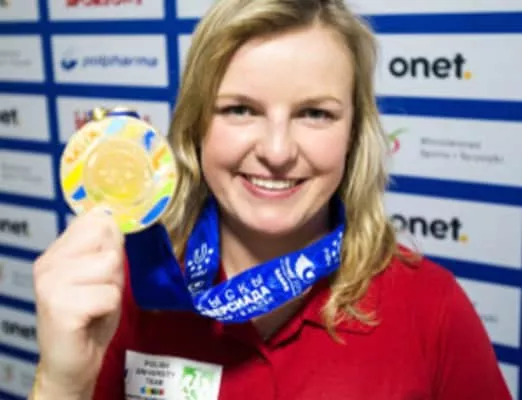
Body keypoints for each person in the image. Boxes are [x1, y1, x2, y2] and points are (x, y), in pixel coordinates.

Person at [30, 0, 510, 399]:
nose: (277, 152)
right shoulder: (127, 292)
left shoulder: (432, 307)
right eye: (240, 109)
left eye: (315, 113)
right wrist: (60, 385)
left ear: (353, 135)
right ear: (196, 127)